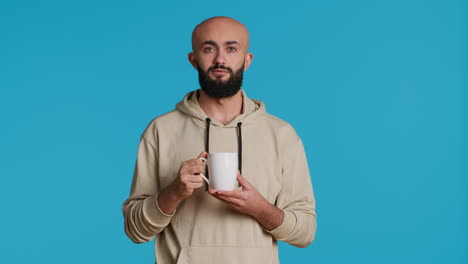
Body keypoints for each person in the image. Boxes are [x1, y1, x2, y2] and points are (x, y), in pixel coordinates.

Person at [122, 16, 317, 264]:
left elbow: (305, 233)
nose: (220, 59)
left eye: (231, 48)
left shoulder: (282, 134)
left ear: (247, 61)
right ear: (194, 60)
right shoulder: (161, 130)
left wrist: (260, 209)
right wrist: (174, 192)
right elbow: (136, 231)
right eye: (208, 48)